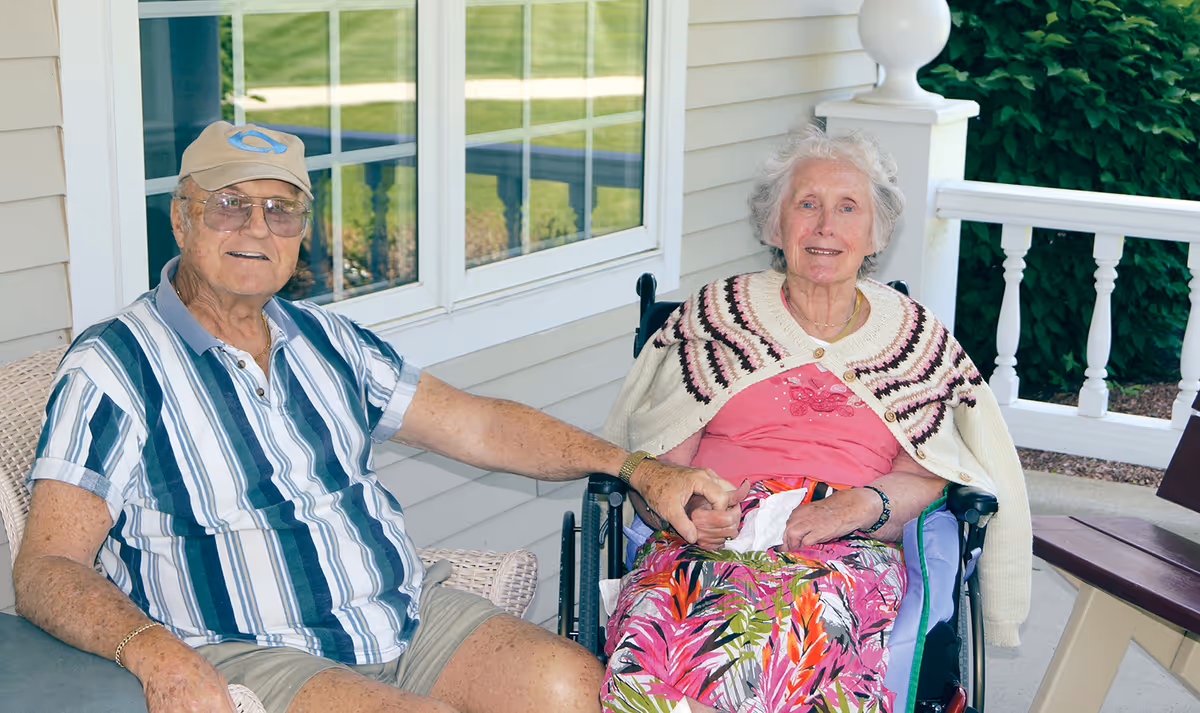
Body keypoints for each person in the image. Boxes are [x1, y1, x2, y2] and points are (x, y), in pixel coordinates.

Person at [11, 121, 738, 713]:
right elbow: (46, 564)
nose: (256, 227)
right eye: (229, 203)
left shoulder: (325, 339)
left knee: (577, 689)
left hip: (402, 617)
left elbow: (481, 425)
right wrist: (151, 649)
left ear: (301, 230)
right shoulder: (116, 366)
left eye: (280, 208)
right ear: (181, 216)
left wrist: (636, 465)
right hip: (251, 648)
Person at [600, 125, 1032, 712]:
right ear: (774, 225)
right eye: (807, 205)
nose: (826, 227)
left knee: (793, 636)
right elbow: (660, 464)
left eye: (847, 208)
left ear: (875, 232)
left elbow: (930, 471)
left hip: (844, 544)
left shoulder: (911, 339)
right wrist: (686, 511)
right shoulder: (720, 318)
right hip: (707, 538)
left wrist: (854, 507)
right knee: (657, 643)